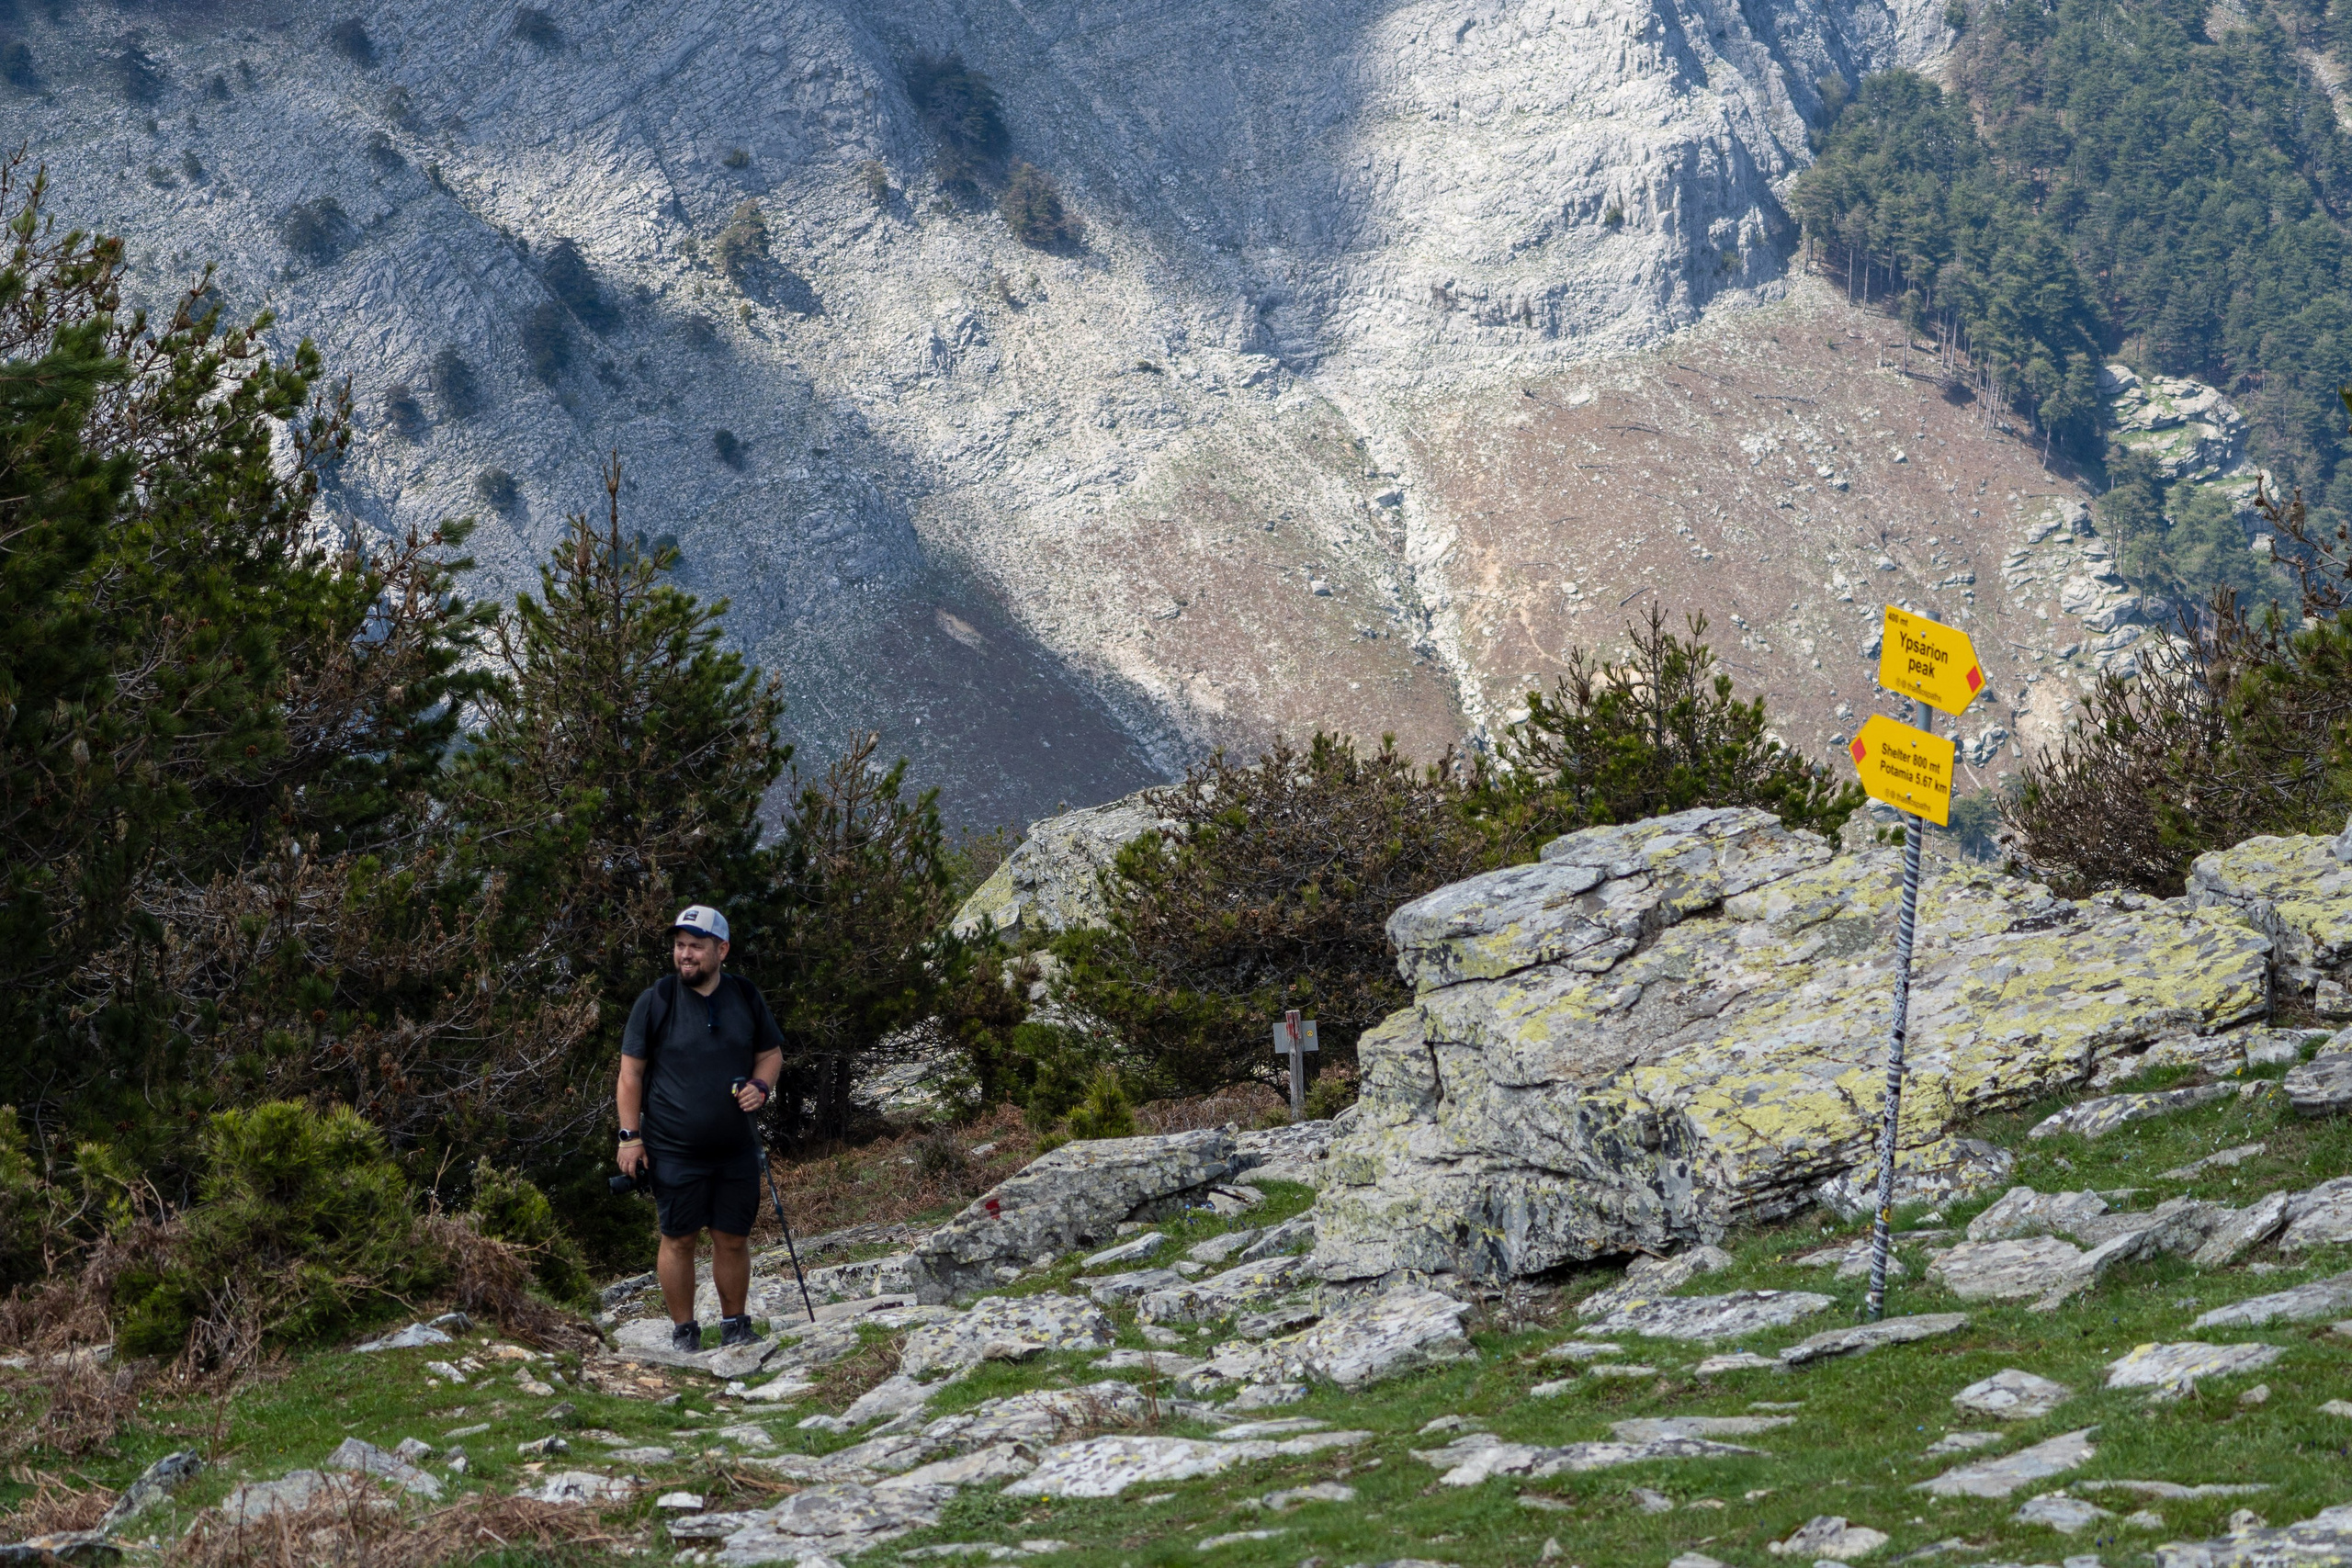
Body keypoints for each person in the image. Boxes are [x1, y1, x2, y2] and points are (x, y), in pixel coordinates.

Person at [616, 905, 786, 1352]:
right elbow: (630, 1074)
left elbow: (770, 1055)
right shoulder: (657, 1000)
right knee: (679, 1239)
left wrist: (761, 1087)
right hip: (673, 1148)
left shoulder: (745, 995)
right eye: (679, 946)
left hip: (736, 1147)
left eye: (695, 946)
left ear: (721, 950)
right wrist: (630, 1138)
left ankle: (736, 1327)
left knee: (732, 1237)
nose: (684, 954)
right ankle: (685, 1334)